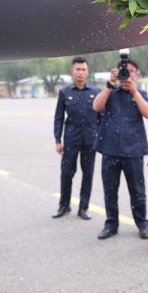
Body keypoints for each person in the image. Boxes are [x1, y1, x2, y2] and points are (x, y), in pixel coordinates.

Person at [92, 57, 148, 240]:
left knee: (137, 191)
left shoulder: (140, 93)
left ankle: (142, 223)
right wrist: (110, 83)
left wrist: (134, 91)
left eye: (132, 71)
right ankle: (111, 224)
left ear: (137, 75)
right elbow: (96, 106)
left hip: (133, 151)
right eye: (125, 71)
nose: (128, 74)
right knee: (110, 190)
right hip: (110, 149)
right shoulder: (111, 91)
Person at [52, 56, 101, 220]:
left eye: (83, 69)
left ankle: (83, 208)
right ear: (72, 71)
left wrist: (101, 139)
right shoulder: (65, 92)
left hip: (90, 141)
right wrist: (58, 140)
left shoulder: (96, 92)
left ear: (87, 72)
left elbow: (102, 118)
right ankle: (64, 206)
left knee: (88, 174)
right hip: (71, 140)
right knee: (66, 173)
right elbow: (59, 117)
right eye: (78, 69)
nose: (80, 72)